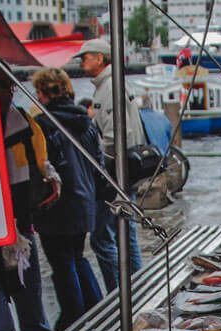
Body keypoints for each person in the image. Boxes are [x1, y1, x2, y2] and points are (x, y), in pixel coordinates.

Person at [32, 67, 105, 331]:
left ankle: (71, 322)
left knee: (63, 264)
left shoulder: (43, 124)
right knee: (77, 256)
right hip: (85, 201)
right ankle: (97, 310)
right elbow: (99, 162)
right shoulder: (85, 121)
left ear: (43, 91)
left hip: (58, 206)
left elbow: (40, 167)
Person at [73, 38, 143, 294]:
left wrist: (99, 159)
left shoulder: (109, 87)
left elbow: (116, 134)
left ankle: (120, 291)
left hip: (115, 172)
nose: (81, 62)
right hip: (125, 170)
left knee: (102, 236)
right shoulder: (112, 84)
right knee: (126, 229)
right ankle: (137, 284)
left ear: (100, 58)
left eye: (85, 57)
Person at [0, 71, 55, 331]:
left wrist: (53, 178)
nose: (5, 92)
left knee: (31, 304)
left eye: (7, 85)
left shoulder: (25, 122)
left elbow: (43, 162)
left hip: (22, 228)